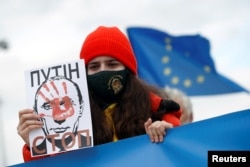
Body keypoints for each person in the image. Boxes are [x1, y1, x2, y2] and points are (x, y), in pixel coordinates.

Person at [17, 26, 181, 162]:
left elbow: (181, 152)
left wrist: (169, 133)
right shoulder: (72, 120)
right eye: (94, 67)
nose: (103, 71)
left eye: (112, 64)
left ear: (128, 71)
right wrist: (36, 146)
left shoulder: (158, 110)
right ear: (84, 74)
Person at [31, 76, 91, 156]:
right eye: (48, 106)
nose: (58, 119)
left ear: (81, 108)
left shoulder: (98, 141)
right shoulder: (34, 149)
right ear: (36, 112)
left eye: (66, 104)